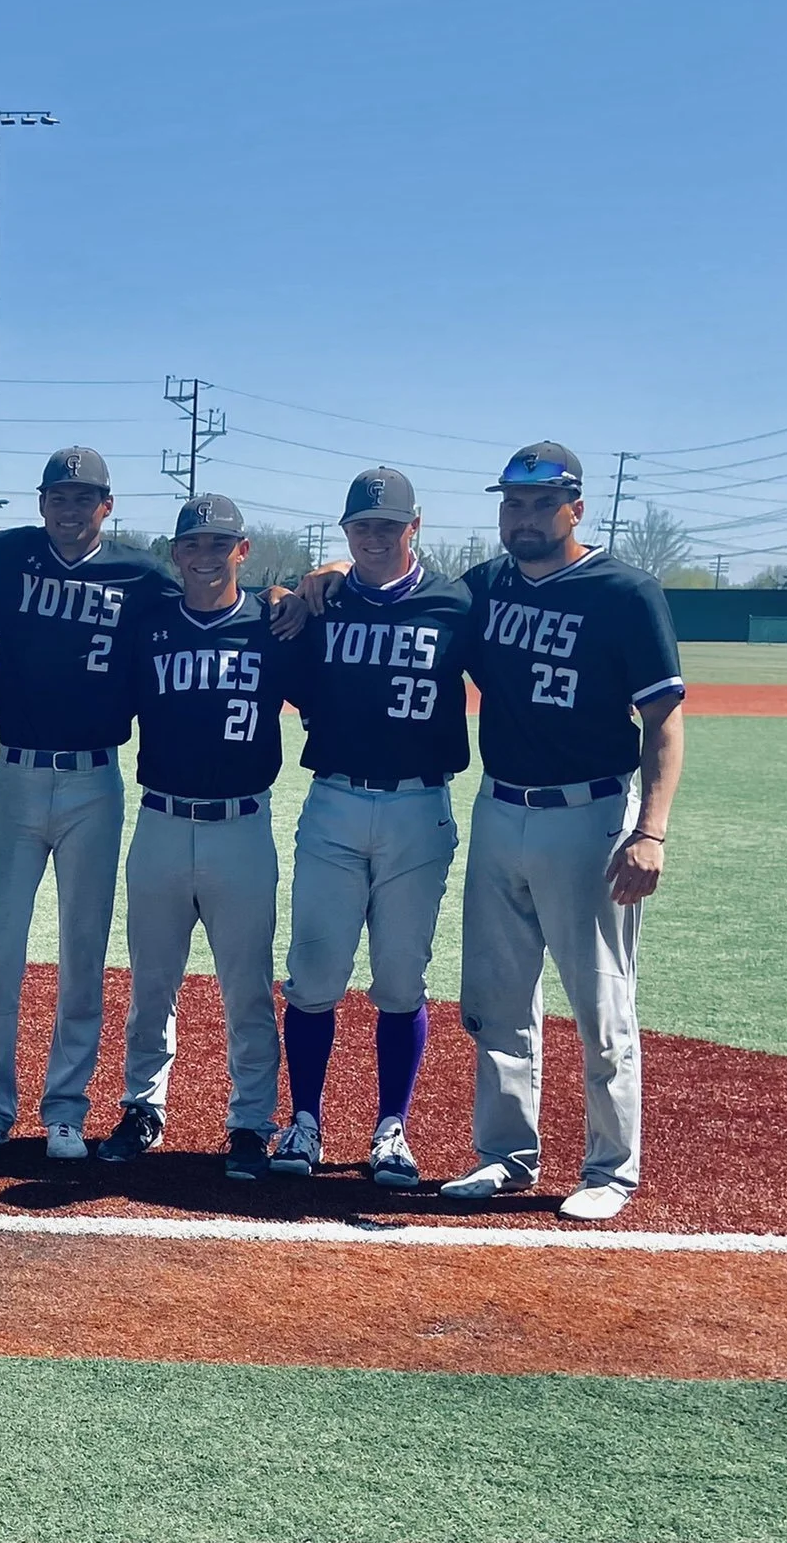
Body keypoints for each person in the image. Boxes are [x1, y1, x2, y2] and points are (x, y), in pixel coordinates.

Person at [439, 443, 685, 1222]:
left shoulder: (624, 591)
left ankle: (611, 1168)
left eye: (542, 504)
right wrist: (329, 577)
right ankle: (505, 1155)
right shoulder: (485, 587)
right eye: (512, 504)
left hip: (590, 815)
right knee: (498, 996)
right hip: (499, 808)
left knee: (601, 1000)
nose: (524, 518)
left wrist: (651, 830)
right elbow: (406, 596)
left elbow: (664, 722)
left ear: (576, 507)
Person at [0, 448, 167, 1160]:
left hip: (95, 781)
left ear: (107, 504)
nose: (70, 511)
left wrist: (316, 580)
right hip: (17, 773)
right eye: (59, 498)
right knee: (0, 946)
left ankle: (66, 1108)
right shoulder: (5, 555)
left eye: (85, 499)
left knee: (83, 950)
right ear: (41, 503)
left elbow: (220, 588)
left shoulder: (141, 571)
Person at [272, 468, 472, 1189]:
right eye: (363, 526)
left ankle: (392, 1126)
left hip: (421, 807)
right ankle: (304, 1120)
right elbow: (279, 642)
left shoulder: (456, 600)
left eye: (390, 525)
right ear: (345, 530)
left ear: (415, 526)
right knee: (315, 974)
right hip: (334, 801)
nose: (376, 537)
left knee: (400, 978)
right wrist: (300, 583)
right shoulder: (320, 604)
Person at [97, 495, 307, 1177]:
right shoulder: (149, 624)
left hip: (241, 825)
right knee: (151, 983)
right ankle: (142, 1106)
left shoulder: (273, 624)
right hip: (159, 820)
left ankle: (250, 1121)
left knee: (245, 986)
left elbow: (325, 697)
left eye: (222, 544)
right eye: (195, 544)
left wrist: (311, 582)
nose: (207, 555)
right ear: (177, 553)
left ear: (242, 551)